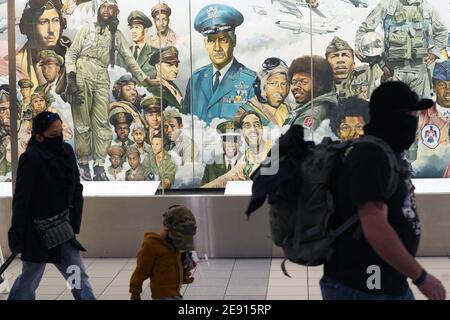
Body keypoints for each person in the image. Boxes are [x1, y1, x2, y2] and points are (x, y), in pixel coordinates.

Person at [320, 81, 447, 300]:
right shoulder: (371, 156)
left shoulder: (385, 152)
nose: (413, 122)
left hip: (387, 284)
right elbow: (375, 227)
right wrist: (421, 277)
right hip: (362, 289)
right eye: (410, 115)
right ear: (392, 117)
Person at [64, 0, 158, 181]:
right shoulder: (87, 28)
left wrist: (144, 79)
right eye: (104, 7)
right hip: (83, 71)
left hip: (101, 74)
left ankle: (99, 165)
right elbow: (72, 54)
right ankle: (83, 162)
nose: (107, 11)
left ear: (115, 11)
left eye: (111, 8)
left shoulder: (115, 34)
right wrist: (71, 77)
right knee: (82, 123)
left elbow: (129, 58)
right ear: (98, 8)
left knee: (102, 124)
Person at [7, 111, 95, 300]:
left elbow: (76, 187)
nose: (59, 137)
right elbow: (22, 200)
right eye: (53, 135)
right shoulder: (31, 158)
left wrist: (73, 221)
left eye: (60, 132)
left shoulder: (67, 151)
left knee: (77, 275)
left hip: (63, 230)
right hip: (36, 232)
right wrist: (17, 235)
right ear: (39, 136)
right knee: (30, 278)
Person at [355, 0, 447, 98]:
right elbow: (365, 29)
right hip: (391, 70)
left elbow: (442, 32)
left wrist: (434, 52)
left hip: (419, 72)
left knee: (417, 110)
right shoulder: (386, 5)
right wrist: (359, 47)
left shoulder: (427, 8)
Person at [185, 4, 256, 124]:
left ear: (234, 41)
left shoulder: (251, 82)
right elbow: (185, 124)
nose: (217, 48)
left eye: (223, 40)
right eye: (211, 40)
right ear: (205, 44)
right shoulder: (195, 79)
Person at [129, 205, 196, 300]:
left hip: (175, 292)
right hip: (163, 295)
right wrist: (135, 294)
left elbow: (175, 265)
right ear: (167, 229)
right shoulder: (151, 246)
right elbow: (140, 272)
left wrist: (186, 270)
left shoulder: (174, 244)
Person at [17, 0, 70, 89]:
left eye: (56, 20)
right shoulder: (18, 63)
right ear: (31, 27)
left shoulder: (69, 53)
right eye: (43, 22)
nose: (51, 30)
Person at [283, 55, 337, 139]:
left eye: (303, 82)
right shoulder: (312, 107)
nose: (296, 87)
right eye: (294, 82)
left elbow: (295, 144)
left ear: (321, 84)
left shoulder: (314, 112)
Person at [236, 57, 291, 127]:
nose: (280, 90)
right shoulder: (243, 114)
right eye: (273, 83)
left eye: (283, 84)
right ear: (259, 85)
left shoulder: (288, 110)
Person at [325, 36, 382, 100]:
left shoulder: (369, 73)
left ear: (353, 64)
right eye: (335, 56)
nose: (340, 60)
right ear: (326, 64)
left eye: (345, 55)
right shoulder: (319, 85)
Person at [117, 10, 157, 86]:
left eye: (137, 27)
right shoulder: (121, 55)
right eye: (131, 28)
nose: (133, 31)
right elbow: (117, 80)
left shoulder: (156, 53)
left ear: (146, 30)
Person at [201, 120, 242, 186]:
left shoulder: (247, 162)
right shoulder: (211, 164)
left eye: (234, 139)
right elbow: (204, 191)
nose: (230, 144)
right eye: (226, 139)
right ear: (221, 142)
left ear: (240, 142)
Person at [147, 46, 184, 112]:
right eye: (170, 65)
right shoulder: (153, 91)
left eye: (176, 65)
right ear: (158, 66)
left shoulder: (173, 87)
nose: (175, 70)